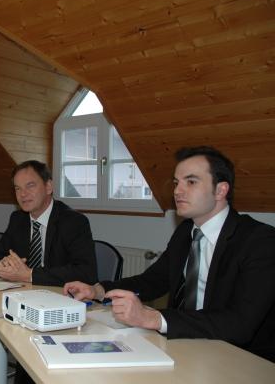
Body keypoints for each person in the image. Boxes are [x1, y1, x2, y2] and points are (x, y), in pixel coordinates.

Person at [64, 146, 275, 362]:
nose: (177, 191)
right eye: (176, 183)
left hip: (242, 359)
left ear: (221, 190)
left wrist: (153, 318)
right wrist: (98, 290)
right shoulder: (185, 232)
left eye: (190, 182)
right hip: (184, 345)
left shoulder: (260, 241)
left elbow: (240, 323)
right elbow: (153, 280)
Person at [0, 160, 97, 286]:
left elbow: (87, 272)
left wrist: (30, 275)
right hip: (23, 292)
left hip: (58, 296)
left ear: (48, 187)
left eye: (30, 186)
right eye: (17, 188)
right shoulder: (18, 219)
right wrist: (0, 267)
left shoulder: (73, 222)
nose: (23, 194)